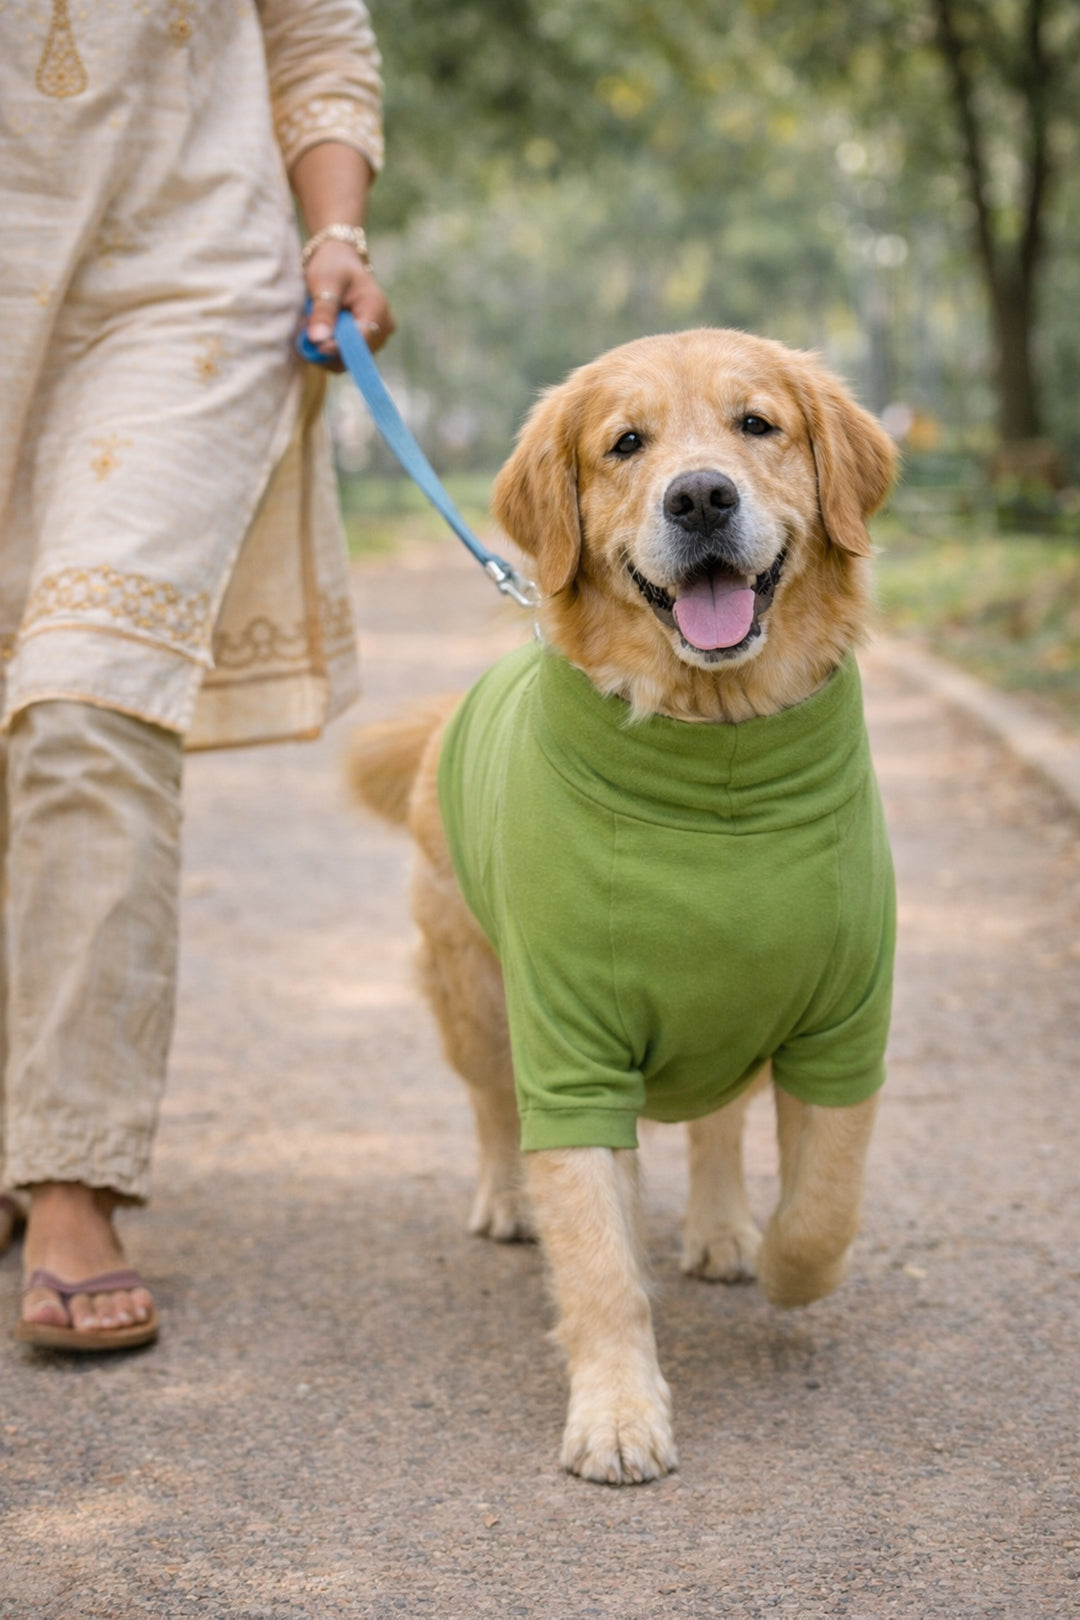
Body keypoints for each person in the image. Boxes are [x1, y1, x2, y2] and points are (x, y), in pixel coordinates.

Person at [0, 0, 394, 1350]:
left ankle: (71, 1170)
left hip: (188, 277)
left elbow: (316, 35)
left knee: (85, 703)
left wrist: (336, 234)